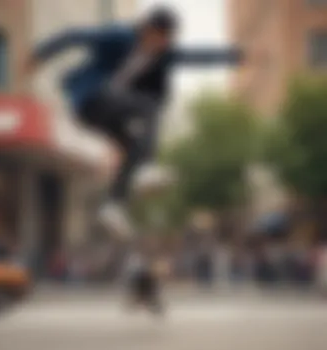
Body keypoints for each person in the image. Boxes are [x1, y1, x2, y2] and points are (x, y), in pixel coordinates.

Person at [25, 7, 247, 237]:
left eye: (165, 41)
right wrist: (40, 54)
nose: (159, 45)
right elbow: (75, 35)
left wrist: (235, 56)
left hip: (108, 112)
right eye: (157, 38)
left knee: (132, 147)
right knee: (149, 105)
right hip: (90, 100)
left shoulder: (164, 53)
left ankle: (113, 204)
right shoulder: (120, 35)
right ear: (147, 29)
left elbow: (195, 56)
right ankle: (146, 168)